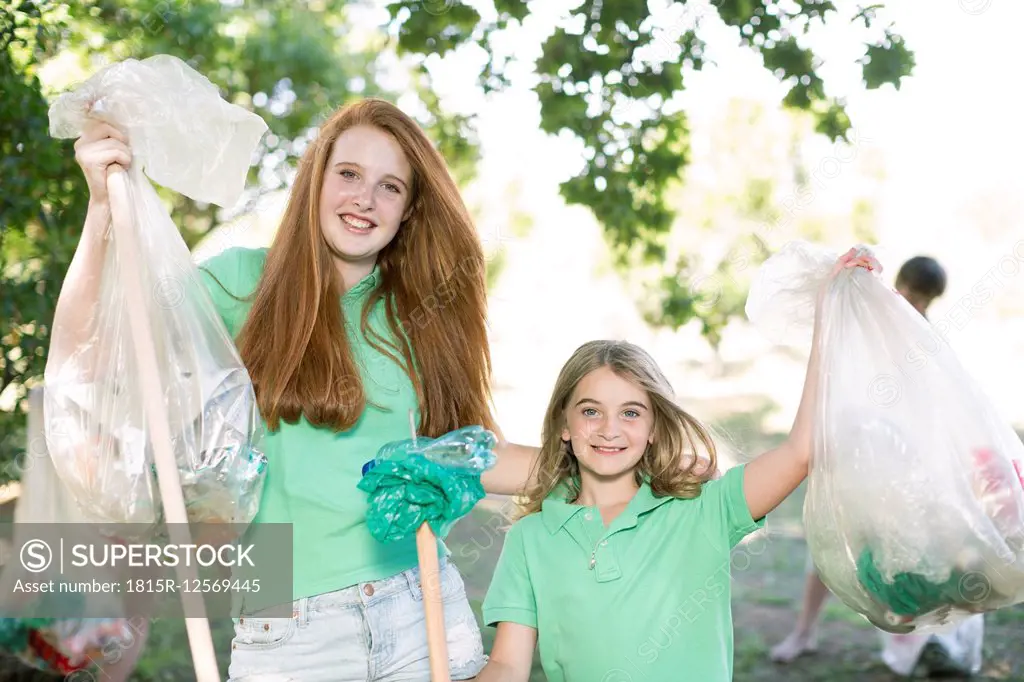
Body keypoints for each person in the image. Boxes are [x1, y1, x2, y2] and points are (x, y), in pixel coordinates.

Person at [57, 97, 545, 681]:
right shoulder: (242, 284)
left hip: (421, 612)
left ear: (410, 211)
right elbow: (94, 347)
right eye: (348, 174)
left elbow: (469, 455)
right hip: (288, 634)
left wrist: (625, 461)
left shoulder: (424, 315)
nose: (364, 198)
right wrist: (102, 211)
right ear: (315, 180)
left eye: (391, 187)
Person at [472, 249, 878, 682]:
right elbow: (507, 665)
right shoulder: (530, 539)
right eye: (591, 411)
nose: (610, 429)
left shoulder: (703, 510)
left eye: (630, 413)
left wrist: (831, 316)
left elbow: (800, 451)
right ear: (564, 425)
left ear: (653, 428)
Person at [769, 255, 985, 678]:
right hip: (856, 446)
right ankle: (804, 631)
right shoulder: (866, 318)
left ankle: (930, 641)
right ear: (898, 285)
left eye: (927, 301)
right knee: (830, 545)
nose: (918, 306)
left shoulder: (924, 336)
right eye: (913, 295)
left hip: (900, 458)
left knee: (906, 552)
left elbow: (935, 404)